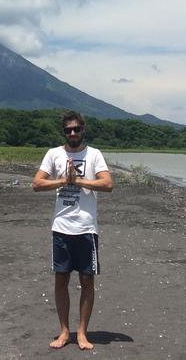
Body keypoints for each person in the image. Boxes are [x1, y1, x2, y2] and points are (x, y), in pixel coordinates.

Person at [32, 111, 113, 350]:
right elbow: (37, 184)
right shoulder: (53, 154)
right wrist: (63, 181)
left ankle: (82, 333)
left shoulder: (94, 154)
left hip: (87, 229)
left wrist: (78, 181)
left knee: (87, 280)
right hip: (62, 227)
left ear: (83, 129)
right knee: (61, 279)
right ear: (64, 132)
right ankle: (64, 331)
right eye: (68, 130)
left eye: (76, 129)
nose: (73, 133)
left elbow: (107, 184)